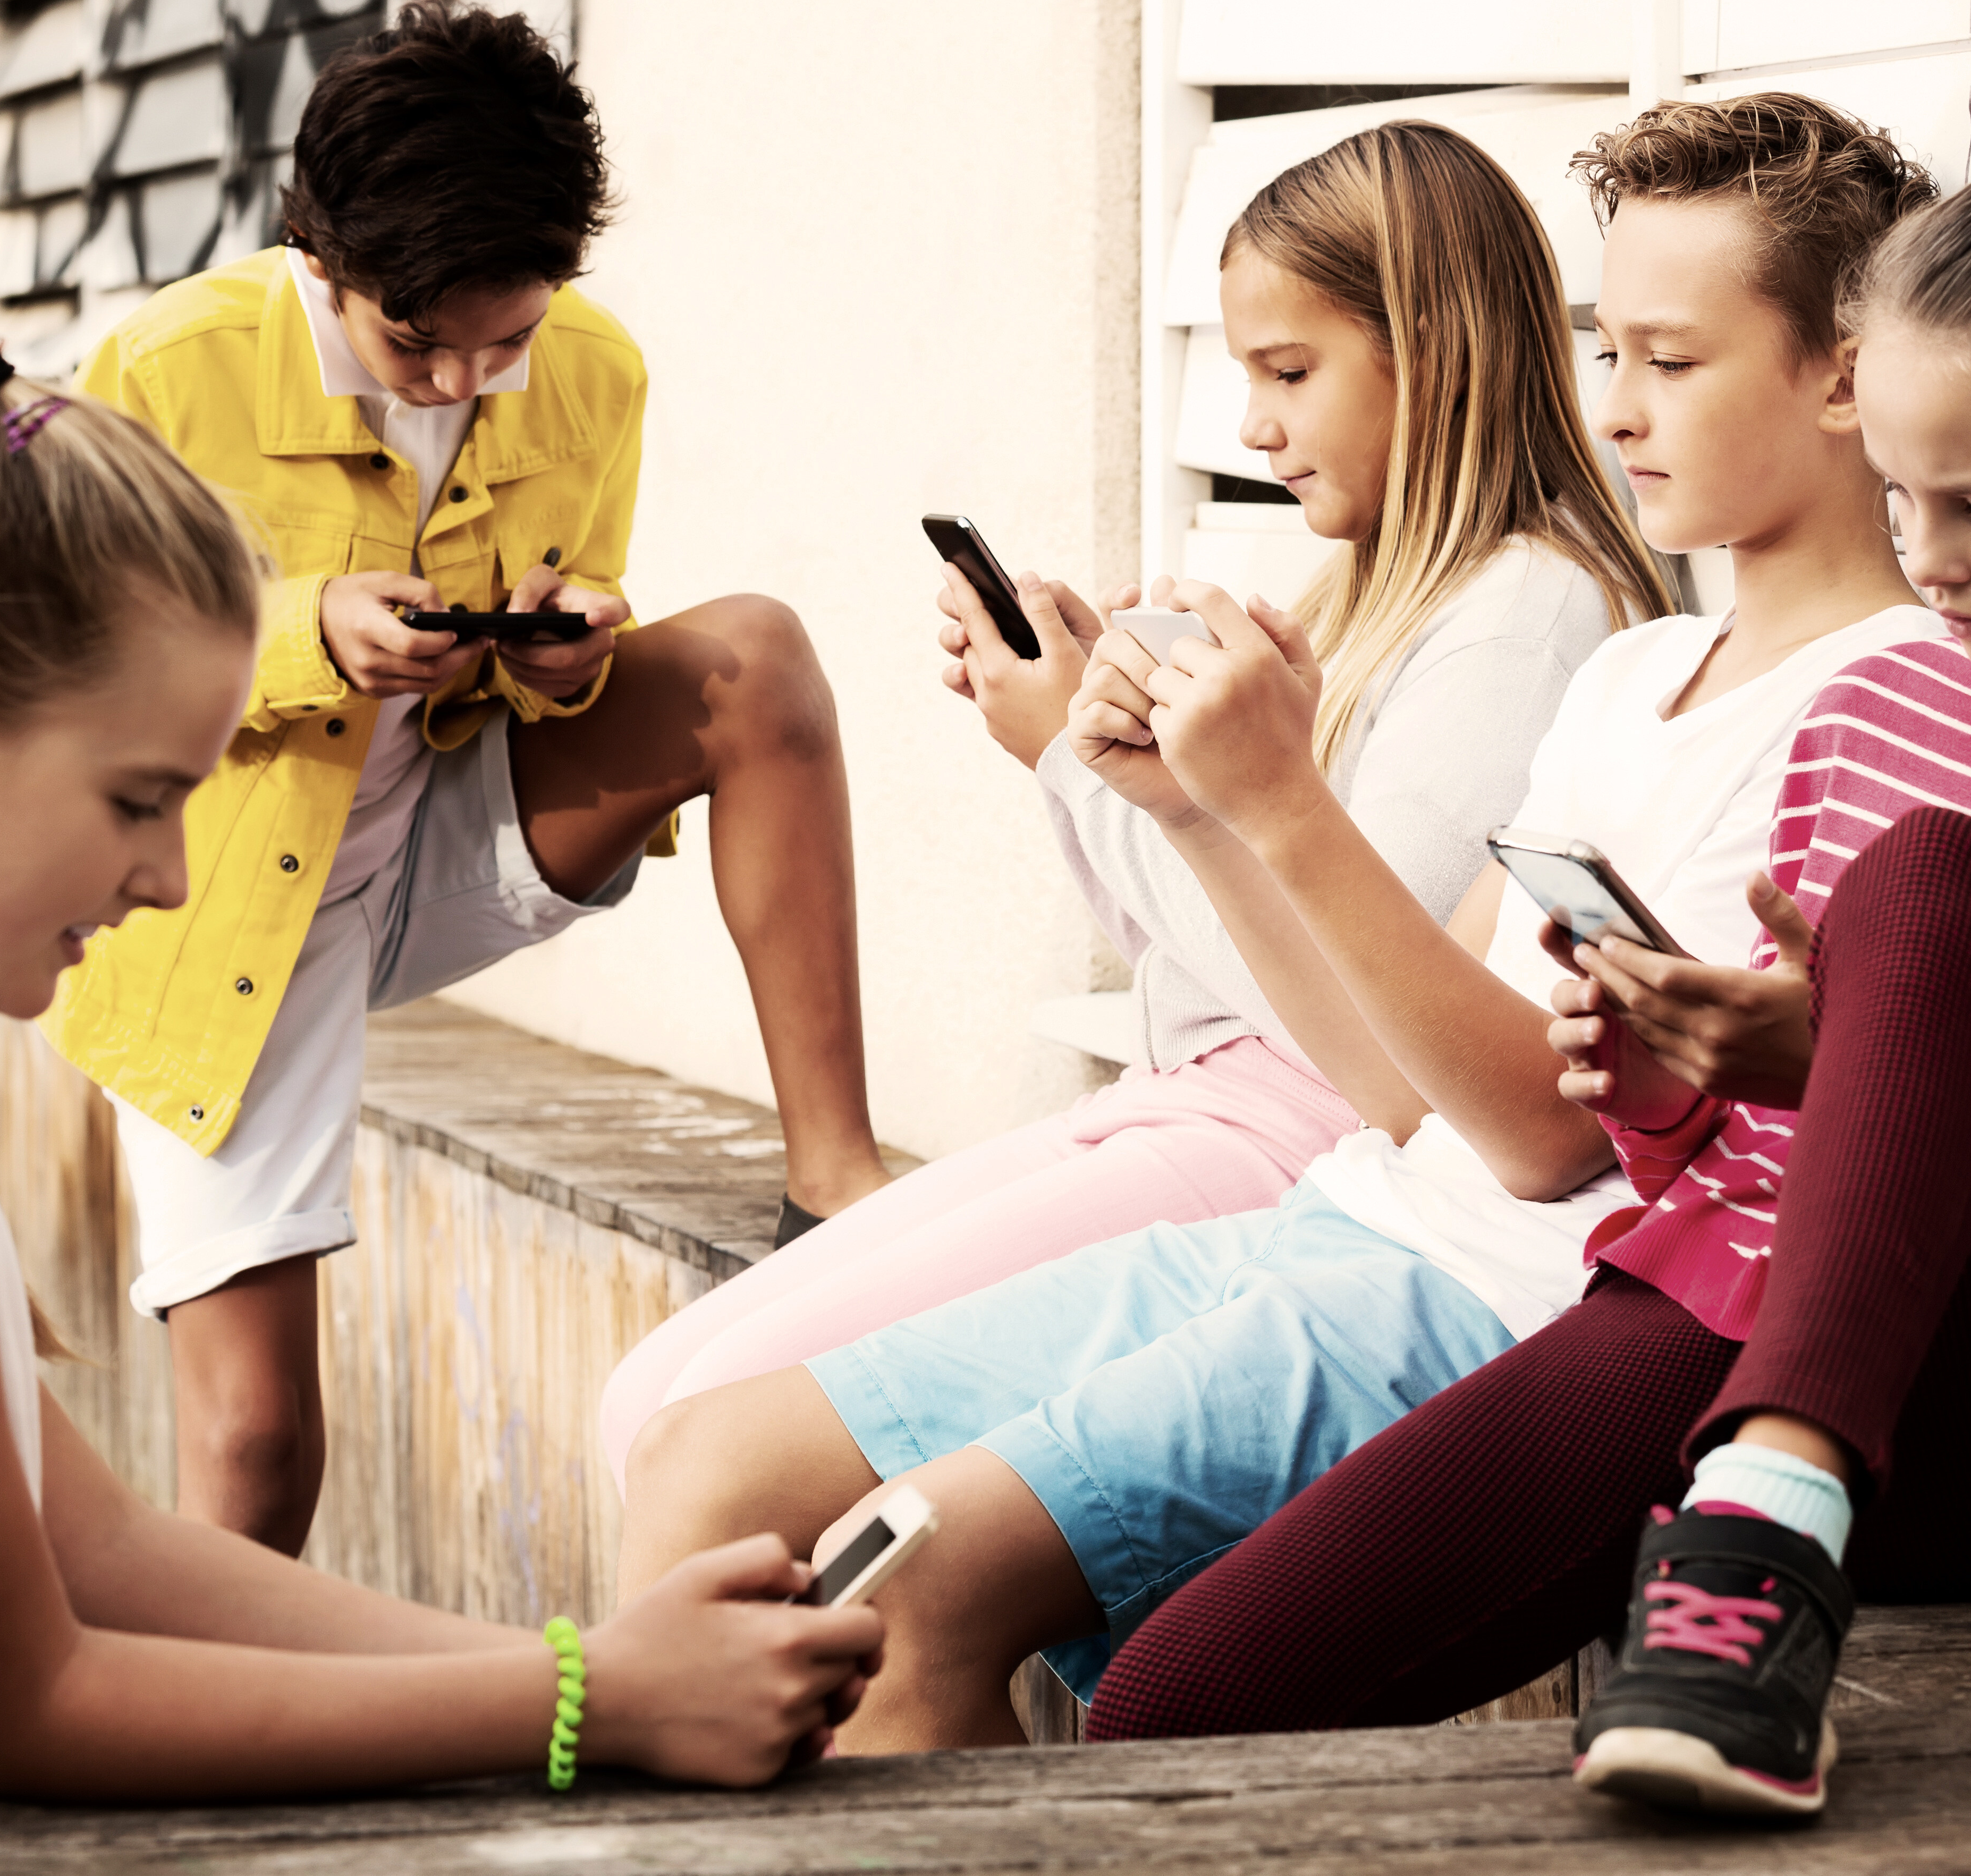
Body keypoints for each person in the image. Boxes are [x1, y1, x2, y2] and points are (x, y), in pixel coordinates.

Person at [617, 96, 1948, 1755]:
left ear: (1845, 376)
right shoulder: (1633, 674)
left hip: (1486, 1297)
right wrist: (1202, 808)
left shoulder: (1885, 707)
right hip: (1349, 1213)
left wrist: (1280, 800)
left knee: (911, 1592)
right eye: (1610, 351)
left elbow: (1545, 1138)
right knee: (703, 1455)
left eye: (1669, 362)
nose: (1615, 406)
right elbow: (1395, 1087)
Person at [1077, 145, 1971, 1826]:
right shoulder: (1865, 708)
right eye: (1900, 498)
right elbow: (1730, 1164)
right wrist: (1674, 1078)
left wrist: (1864, 1077)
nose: (1930, 559)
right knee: (1175, 1701)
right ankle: (1761, 1509)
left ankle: (1768, 1524)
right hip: (1715, 1308)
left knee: (1931, 878)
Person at [0, 327, 883, 1810]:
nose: (171, 880)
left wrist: (601, 1665)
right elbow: (36, 1708)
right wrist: (593, 1701)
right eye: (140, 800)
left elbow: (104, 1551)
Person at [601, 120, 1670, 1491]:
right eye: (1246, 374)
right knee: (651, 1395)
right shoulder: (1385, 588)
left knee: (696, 1418)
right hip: (1197, 1103)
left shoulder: (1524, 620)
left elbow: (1356, 1027)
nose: (1253, 427)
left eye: (1289, 371)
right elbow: (1200, 952)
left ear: (1434, 351)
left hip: (1300, 1139)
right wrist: (1120, 751)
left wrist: (1082, 760)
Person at [50, 0, 893, 1556]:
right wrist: (308, 632)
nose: (460, 380)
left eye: (507, 341)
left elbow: (566, 624)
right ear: (320, 255)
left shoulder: (595, 373)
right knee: (254, 1441)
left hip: (438, 835)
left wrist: (557, 662)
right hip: (218, 908)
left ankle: (835, 1187)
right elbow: (69, 668)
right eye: (416, 342)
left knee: (756, 660)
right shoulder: (168, 368)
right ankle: (212, 1704)